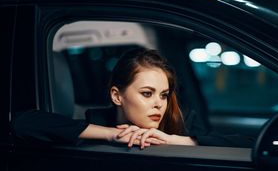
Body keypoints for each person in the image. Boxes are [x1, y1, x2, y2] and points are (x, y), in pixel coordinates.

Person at [12, 47, 254, 148]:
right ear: (117, 96)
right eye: (147, 94)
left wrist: (175, 141)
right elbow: (23, 123)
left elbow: (246, 143)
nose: (159, 103)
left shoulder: (182, 121)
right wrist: (113, 134)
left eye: (164, 95)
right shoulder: (98, 121)